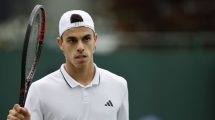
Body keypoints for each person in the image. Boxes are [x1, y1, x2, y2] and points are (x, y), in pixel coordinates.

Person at [7, 10, 129, 120]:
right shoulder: (39, 90)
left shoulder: (119, 85)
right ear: (60, 43)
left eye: (86, 39)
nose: (80, 47)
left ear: (95, 40)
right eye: (72, 40)